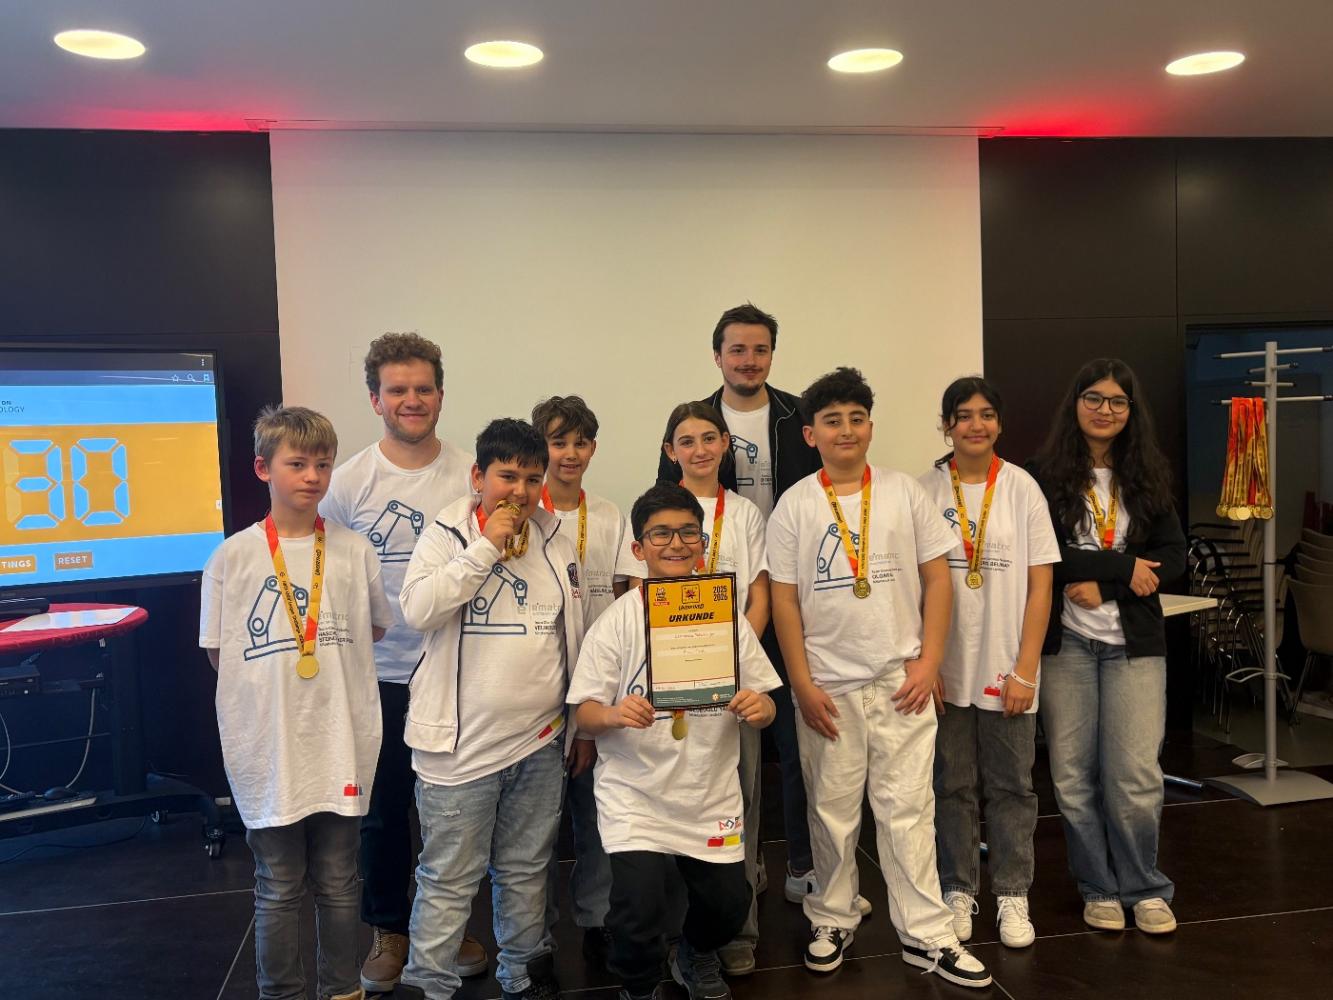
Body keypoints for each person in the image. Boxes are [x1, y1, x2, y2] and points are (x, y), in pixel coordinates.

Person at [768, 367, 990, 988]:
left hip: (900, 682)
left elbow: (938, 579)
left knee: (908, 811)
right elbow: (784, 601)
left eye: (857, 418)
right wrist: (801, 684)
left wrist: (929, 661)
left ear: (870, 426)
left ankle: (926, 933)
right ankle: (831, 917)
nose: (846, 430)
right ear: (810, 434)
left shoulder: (903, 492)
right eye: (832, 421)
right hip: (827, 689)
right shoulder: (795, 505)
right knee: (831, 812)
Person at [200, 406, 393, 1000]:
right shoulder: (232, 557)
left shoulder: (354, 551)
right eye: (297, 463)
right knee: (278, 883)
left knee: (339, 879)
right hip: (270, 744)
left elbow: (374, 629)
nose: (312, 476)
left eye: (323, 464)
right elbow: (219, 653)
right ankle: (281, 993)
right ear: (263, 468)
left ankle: (342, 989)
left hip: (340, 738)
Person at [397, 418, 588, 1000]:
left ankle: (524, 972)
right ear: (478, 477)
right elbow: (419, 610)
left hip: (539, 740)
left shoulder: (555, 538)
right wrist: (486, 547)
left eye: (532, 478)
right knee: (449, 878)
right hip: (460, 749)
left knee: (527, 868)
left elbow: (570, 636)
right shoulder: (445, 535)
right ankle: (429, 986)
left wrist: (577, 727)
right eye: (508, 476)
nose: (521, 492)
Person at [320, 332, 486, 993]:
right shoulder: (347, 483)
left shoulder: (471, 475)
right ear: (375, 399)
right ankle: (389, 928)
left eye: (423, 389)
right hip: (379, 673)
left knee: (454, 813)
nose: (411, 400)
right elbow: (325, 574)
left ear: (441, 395)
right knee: (384, 810)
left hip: (454, 672)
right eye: (397, 390)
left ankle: (449, 923)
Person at [569, 482, 780, 1000]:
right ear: (638, 549)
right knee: (636, 913)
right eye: (660, 534)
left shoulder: (725, 616)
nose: (676, 543)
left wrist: (762, 707)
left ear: (702, 545)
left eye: (688, 533)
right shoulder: (615, 622)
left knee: (730, 905)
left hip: (708, 791)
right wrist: (614, 714)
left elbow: (766, 699)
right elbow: (584, 711)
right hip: (635, 794)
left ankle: (693, 953)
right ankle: (639, 987)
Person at [655, 302, 821, 908]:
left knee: (792, 741)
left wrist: (747, 632)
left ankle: (801, 862)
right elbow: (662, 514)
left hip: (781, 595)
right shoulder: (695, 419)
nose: (749, 360)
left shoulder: (798, 416)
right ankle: (724, 867)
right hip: (703, 621)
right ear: (718, 355)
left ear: (771, 354)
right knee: (714, 744)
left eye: (760, 349)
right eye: (737, 349)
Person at [1029, 358, 1186, 935]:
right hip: (1067, 644)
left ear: (1130, 411)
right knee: (1073, 778)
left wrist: (1110, 585)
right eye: (1093, 398)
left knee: (1135, 776)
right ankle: (1097, 887)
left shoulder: (1146, 474)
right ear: (1075, 404)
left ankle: (1144, 887)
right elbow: (1045, 554)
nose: (1105, 410)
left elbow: (1174, 557)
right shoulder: (1043, 476)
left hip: (1134, 646)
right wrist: (1121, 567)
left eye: (1118, 401)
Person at [623, 401, 770, 974]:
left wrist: (730, 661)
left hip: (731, 684)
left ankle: (736, 930)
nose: (700, 449)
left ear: (727, 444)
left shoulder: (746, 514)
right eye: (687, 440)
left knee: (740, 801)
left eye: (710, 437)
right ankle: (673, 930)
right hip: (665, 682)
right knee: (667, 802)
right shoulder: (655, 508)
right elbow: (634, 594)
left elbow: (759, 595)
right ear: (670, 451)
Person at [917, 377, 1058, 949]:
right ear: (946, 424)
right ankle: (957, 888)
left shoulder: (1023, 488)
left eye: (986, 414)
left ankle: (1013, 893)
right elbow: (911, 587)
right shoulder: (924, 490)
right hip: (945, 670)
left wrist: (1026, 669)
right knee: (950, 784)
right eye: (963, 414)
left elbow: (1041, 586)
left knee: (1012, 787)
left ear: (999, 423)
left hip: (1007, 667)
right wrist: (925, 663)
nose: (976, 425)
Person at [530, 394, 627, 968]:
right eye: (557, 441)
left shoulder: (610, 515)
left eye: (580, 442)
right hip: (540, 686)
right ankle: (535, 934)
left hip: (598, 686)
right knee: (537, 823)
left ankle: (598, 918)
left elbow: (621, 599)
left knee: (597, 812)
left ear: (593, 448)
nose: (570, 453)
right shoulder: (525, 515)